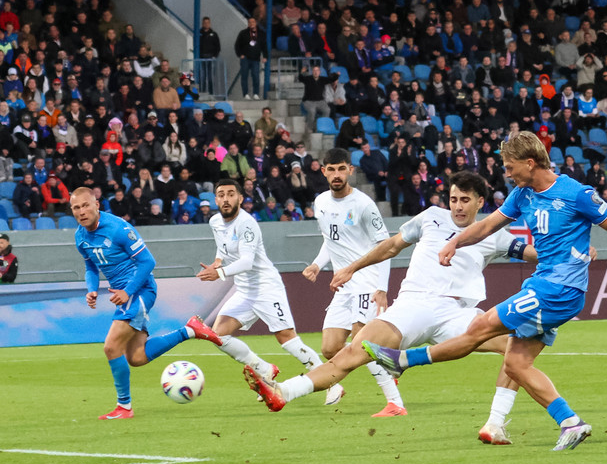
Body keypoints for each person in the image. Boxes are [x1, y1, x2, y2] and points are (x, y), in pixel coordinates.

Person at [360, 131, 607, 450]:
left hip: (558, 289)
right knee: (516, 365)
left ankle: (404, 360)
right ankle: (570, 423)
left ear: (530, 162)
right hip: (544, 285)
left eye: (510, 166)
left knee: (481, 326)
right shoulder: (522, 194)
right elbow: (486, 226)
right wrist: (455, 242)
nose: (506, 173)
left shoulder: (577, 194)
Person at [244, 172, 538, 444]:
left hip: (457, 314)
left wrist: (564, 253)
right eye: (453, 199)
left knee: (519, 345)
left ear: (480, 202)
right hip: (412, 306)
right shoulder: (431, 218)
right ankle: (283, 392)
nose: (458, 206)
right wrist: (352, 268)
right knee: (353, 352)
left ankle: (494, 424)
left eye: (465, 200)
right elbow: (392, 246)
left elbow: (533, 254)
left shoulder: (493, 234)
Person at [69, 187, 223, 419]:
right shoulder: (80, 236)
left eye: (85, 205)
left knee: (111, 347)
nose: (81, 211)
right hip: (125, 296)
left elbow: (148, 262)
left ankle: (124, 407)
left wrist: (127, 291)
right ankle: (190, 330)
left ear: (96, 205)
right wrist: (91, 289)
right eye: (76, 208)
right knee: (137, 357)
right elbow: (90, 266)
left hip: (140, 290)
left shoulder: (118, 228)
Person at [293, 148, 404, 415]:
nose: (337, 174)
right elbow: (330, 240)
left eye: (341, 169)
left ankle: (395, 403)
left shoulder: (364, 204)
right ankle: (387, 360)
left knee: (361, 343)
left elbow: (385, 246)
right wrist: (317, 264)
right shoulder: (321, 202)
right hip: (344, 286)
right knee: (330, 348)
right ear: (323, 171)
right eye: (331, 169)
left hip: (367, 281)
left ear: (350, 171)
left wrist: (382, 288)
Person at [195, 179, 327, 391]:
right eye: (221, 195)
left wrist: (219, 273)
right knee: (218, 334)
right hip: (245, 290)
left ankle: (329, 380)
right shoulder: (215, 222)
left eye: (231, 194)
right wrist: (218, 261)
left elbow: (247, 262)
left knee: (287, 339)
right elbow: (223, 246)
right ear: (216, 199)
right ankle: (264, 369)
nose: (226, 199)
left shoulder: (247, 223)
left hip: (266, 288)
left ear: (240, 198)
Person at [234, 17, 267, 100]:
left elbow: (264, 46)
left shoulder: (261, 33)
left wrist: (265, 56)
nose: (251, 23)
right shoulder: (243, 33)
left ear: (256, 23)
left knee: (256, 76)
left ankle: (256, 93)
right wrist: (240, 54)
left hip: (256, 58)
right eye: (250, 22)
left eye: (253, 22)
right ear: (248, 24)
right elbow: (237, 45)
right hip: (245, 58)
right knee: (244, 76)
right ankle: (245, 94)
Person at [198, 17, 221, 94]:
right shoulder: (199, 34)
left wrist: (215, 56)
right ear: (202, 23)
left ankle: (211, 93)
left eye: (207, 23)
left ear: (210, 23)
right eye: (205, 23)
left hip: (211, 58)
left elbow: (218, 47)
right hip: (201, 57)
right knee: (202, 76)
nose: (206, 24)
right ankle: (202, 92)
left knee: (210, 76)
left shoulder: (214, 34)